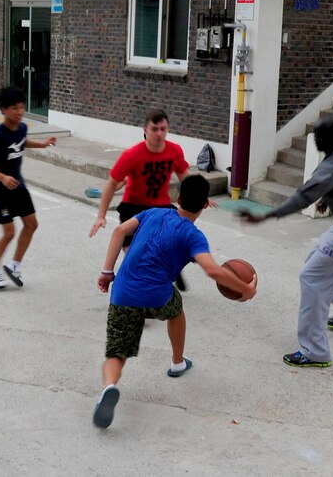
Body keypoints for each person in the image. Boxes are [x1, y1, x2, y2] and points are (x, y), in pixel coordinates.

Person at [92, 175, 257, 429]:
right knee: (176, 311)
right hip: (158, 296)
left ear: (177, 199)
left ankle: (109, 387)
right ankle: (177, 362)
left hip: (124, 292)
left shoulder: (154, 213)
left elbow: (119, 230)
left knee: (117, 352)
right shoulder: (193, 235)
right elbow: (212, 270)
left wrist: (106, 272)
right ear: (204, 206)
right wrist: (246, 289)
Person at [240, 116, 333, 369]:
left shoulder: (331, 169)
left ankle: (315, 350)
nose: (314, 140)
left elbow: (301, 198)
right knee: (315, 260)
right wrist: (329, 199)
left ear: (330, 139)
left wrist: (265, 215)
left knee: (312, 276)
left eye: (318, 136)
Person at [88, 109, 192, 288]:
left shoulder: (174, 151)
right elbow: (111, 184)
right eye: (155, 129)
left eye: (163, 129)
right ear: (145, 129)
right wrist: (101, 215)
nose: (159, 134)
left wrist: (200, 196)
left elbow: (186, 178)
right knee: (134, 254)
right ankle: (139, 286)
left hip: (161, 206)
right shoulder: (132, 155)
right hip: (133, 207)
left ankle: (172, 268)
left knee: (180, 238)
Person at [0, 86, 56, 289]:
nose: (20, 112)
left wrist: (43, 144)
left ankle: (13, 266)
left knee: (32, 224)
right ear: (3, 110)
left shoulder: (22, 128)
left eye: (22, 107)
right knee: (9, 232)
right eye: (15, 108)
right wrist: (2, 177)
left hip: (18, 186)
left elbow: (21, 142)